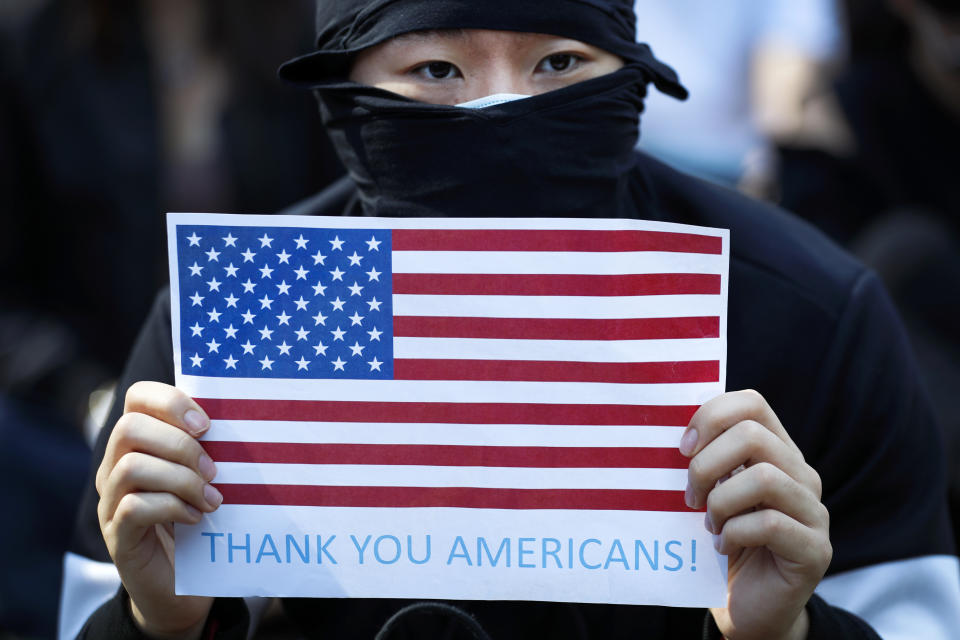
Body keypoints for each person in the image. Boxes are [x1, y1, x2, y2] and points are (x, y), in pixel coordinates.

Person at [60, 1, 960, 639]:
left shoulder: (806, 313)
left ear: (629, 70)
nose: (503, 112)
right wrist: (155, 623)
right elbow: (100, 605)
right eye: (437, 70)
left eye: (559, 64)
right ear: (345, 87)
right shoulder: (252, 310)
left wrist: (791, 632)